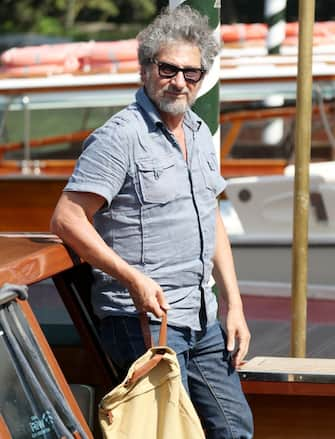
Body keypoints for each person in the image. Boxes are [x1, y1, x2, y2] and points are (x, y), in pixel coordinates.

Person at [50, 5, 253, 439]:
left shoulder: (199, 132)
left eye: (191, 73)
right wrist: (132, 278)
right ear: (146, 69)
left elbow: (209, 215)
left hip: (202, 317)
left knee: (235, 428)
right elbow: (67, 219)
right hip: (143, 320)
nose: (179, 81)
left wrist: (234, 306)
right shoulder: (119, 137)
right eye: (168, 69)